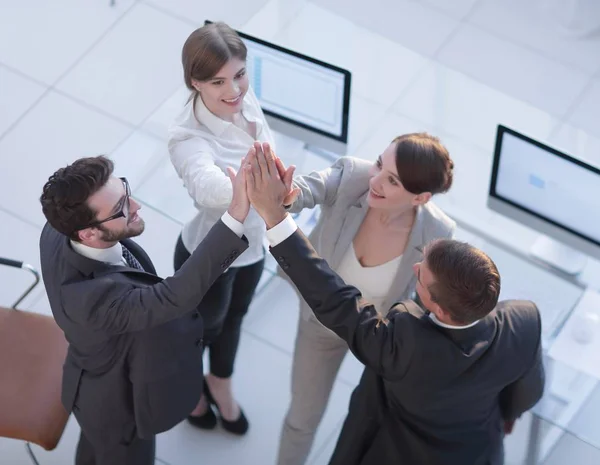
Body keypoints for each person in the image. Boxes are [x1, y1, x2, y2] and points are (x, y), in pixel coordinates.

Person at [244, 142, 545, 465]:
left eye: (421, 278)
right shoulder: (525, 320)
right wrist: (503, 415)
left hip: (392, 450)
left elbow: (333, 298)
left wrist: (274, 220)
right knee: (303, 415)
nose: (415, 268)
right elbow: (528, 393)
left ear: (440, 309)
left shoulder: (403, 343)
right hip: (476, 451)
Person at [39, 155, 251, 465]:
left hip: (98, 371)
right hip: (116, 406)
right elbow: (174, 296)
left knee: (95, 450)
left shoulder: (60, 225)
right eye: (121, 208)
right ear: (88, 234)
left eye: (124, 189)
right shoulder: (94, 302)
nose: (136, 205)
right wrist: (236, 213)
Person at [275, 133, 456, 465]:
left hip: (380, 338)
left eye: (392, 181)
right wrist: (285, 195)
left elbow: (426, 300)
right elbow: (310, 189)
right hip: (323, 326)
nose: (375, 180)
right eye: (379, 164)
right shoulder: (352, 177)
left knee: (374, 428)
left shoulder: (436, 233)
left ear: (421, 198)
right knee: (303, 419)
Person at [168, 21, 285, 435]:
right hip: (209, 254)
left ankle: (220, 382)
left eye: (239, 73)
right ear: (195, 82)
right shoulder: (187, 137)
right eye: (218, 81)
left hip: (252, 248)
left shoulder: (243, 100)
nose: (234, 89)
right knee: (203, 329)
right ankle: (190, 392)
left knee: (234, 320)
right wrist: (262, 187)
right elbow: (207, 186)